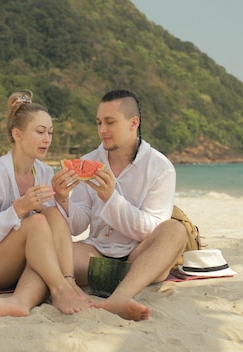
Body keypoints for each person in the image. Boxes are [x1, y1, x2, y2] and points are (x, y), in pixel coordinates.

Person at [52, 89, 188, 321]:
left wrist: (110, 199)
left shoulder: (160, 167)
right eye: (99, 123)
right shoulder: (89, 161)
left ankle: (121, 296)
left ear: (133, 123)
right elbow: (78, 225)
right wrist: (63, 199)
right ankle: (129, 281)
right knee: (48, 253)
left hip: (140, 258)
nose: (102, 130)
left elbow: (150, 229)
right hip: (95, 255)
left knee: (175, 230)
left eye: (110, 122)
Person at [0, 90, 93, 320]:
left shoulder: (44, 171)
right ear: (17, 134)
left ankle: (27, 300)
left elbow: (56, 226)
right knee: (37, 221)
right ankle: (59, 289)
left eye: (50, 132)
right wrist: (19, 209)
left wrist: (60, 198)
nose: (47, 139)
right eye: (39, 132)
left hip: (24, 261)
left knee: (51, 216)